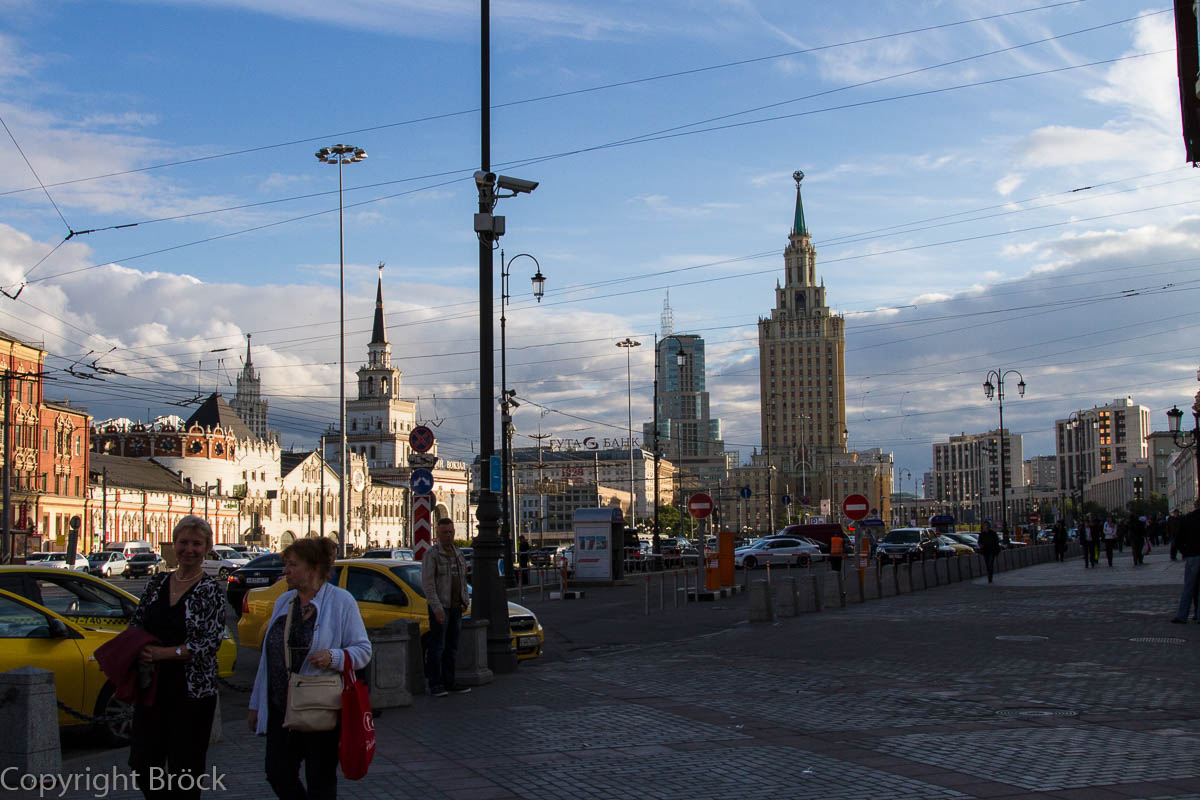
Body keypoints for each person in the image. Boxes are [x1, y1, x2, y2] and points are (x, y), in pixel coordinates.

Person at [248, 537, 372, 800]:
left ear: (314, 569)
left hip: (320, 709)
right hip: (281, 708)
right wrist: (256, 705)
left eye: (293, 565)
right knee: (277, 773)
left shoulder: (341, 601)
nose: (286, 571)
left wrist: (333, 657)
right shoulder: (284, 602)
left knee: (320, 781)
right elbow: (268, 659)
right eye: (286, 564)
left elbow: (363, 651)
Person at [127, 515, 226, 800]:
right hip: (152, 688)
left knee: (185, 772)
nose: (189, 549)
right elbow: (137, 622)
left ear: (207, 548)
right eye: (183, 542)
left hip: (192, 694)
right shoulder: (157, 582)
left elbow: (210, 642)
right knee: (143, 764)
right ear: (174, 544)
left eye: (197, 544)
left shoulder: (210, 590)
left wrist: (166, 653)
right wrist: (136, 648)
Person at [421, 518, 471, 697]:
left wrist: (465, 600)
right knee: (437, 646)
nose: (448, 535)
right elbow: (428, 584)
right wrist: (436, 608)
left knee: (452, 646)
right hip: (441, 606)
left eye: (450, 532)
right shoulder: (432, 554)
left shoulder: (458, 553)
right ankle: (435, 684)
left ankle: (450, 681)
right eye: (444, 532)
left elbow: (463, 580)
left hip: (456, 606)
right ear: (437, 533)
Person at [1171, 504, 1200, 624]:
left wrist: (1185, 551)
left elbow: (1177, 539)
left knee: (1189, 586)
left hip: (1192, 555)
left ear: (1195, 505)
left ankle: (1182, 615)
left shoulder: (1188, 518)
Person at [978, 519, 1000, 584]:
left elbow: (996, 541)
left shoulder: (993, 533)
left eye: (987, 525)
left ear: (989, 526)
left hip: (992, 551)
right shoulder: (982, 534)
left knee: (990, 564)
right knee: (987, 564)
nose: (986, 526)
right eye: (985, 525)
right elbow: (979, 541)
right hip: (985, 551)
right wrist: (981, 545)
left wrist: (996, 549)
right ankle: (989, 575)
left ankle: (990, 577)